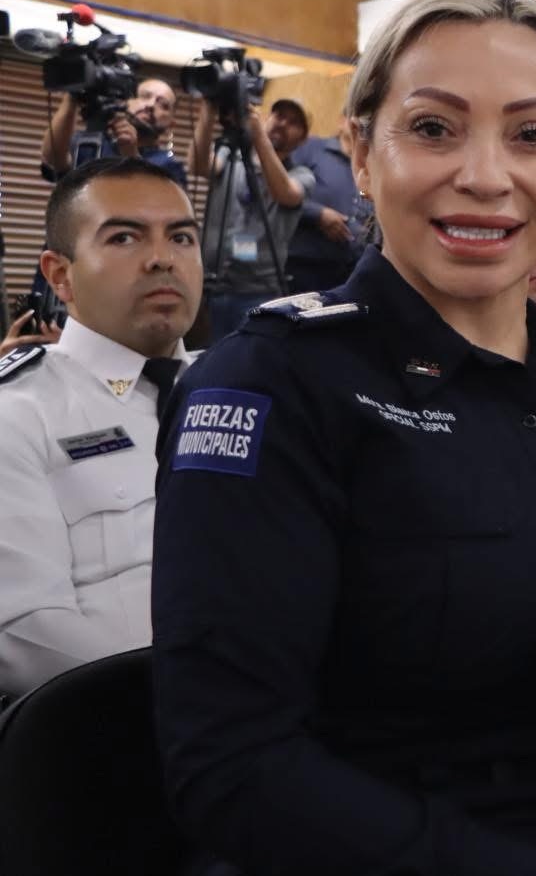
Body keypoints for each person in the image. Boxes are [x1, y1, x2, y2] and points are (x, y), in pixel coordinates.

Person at [150, 0, 536, 876]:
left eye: (532, 135)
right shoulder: (272, 383)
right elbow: (233, 768)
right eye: (433, 128)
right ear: (359, 153)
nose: (485, 175)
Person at [0, 157, 200, 696]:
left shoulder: (247, 389)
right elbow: (24, 633)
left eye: (182, 237)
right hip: (119, 734)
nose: (163, 260)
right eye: (124, 239)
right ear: (59, 274)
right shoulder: (18, 412)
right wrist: (206, 698)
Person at [194, 99, 316, 339]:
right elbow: (199, 166)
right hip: (210, 287)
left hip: (258, 293)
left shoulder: (302, 175)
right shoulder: (230, 157)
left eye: (293, 122)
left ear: (302, 139)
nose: (282, 124)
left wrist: (258, 136)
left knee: (243, 367)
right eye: (278, 115)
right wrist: (208, 111)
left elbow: (286, 194)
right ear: (267, 117)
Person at [285, 108, 371, 294]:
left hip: (351, 272)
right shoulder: (311, 148)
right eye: (358, 118)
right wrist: (318, 214)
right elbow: (276, 190)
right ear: (341, 121)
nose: (362, 124)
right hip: (305, 268)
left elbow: (367, 199)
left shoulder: (371, 164)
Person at [39, 77, 187, 183]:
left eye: (164, 105)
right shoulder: (89, 143)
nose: (150, 105)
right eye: (145, 96)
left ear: (171, 125)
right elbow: (53, 160)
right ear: (126, 102)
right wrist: (72, 97)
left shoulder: (169, 167)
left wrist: (131, 155)